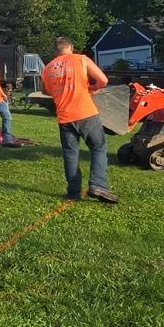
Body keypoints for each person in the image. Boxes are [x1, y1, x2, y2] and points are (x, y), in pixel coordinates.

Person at [41, 35, 119, 204]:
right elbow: (103, 80)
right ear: (71, 47)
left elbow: (46, 91)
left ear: (55, 51)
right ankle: (98, 185)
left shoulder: (47, 68)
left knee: (70, 154)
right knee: (98, 147)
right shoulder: (81, 59)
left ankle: (73, 192)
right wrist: (92, 88)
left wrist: (60, 92)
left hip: (64, 117)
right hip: (86, 113)